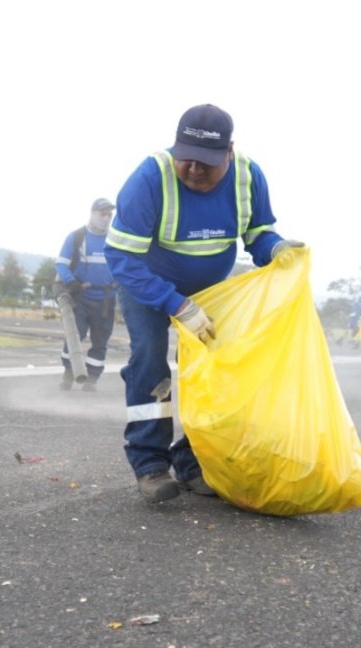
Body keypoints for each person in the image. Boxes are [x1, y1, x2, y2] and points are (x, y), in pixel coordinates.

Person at [104, 103, 304, 503]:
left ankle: (193, 460)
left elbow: (257, 233)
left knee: (213, 370)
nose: (194, 169)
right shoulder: (150, 178)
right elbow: (121, 257)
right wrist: (176, 305)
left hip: (209, 289)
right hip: (148, 286)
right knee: (150, 359)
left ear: (229, 151)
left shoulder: (248, 176)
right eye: (187, 158)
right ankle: (150, 464)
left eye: (206, 162)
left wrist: (276, 248)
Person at [54, 198, 118, 392]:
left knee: (100, 341)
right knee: (75, 335)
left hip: (106, 300)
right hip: (81, 298)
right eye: (102, 213)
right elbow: (61, 264)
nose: (106, 218)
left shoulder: (115, 239)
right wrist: (71, 282)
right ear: (92, 214)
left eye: (109, 214)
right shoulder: (76, 237)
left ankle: (92, 379)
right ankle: (69, 373)